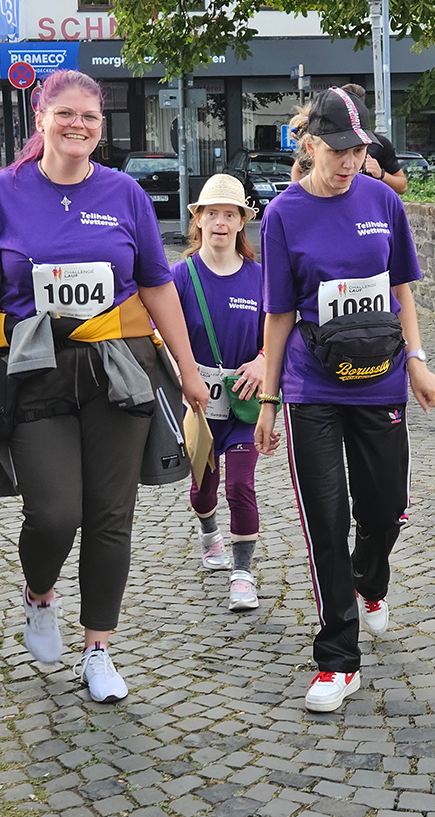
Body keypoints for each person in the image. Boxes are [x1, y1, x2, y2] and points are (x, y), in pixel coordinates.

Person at [0, 68, 208, 704]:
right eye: (65, 114)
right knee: (55, 511)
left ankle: (98, 649)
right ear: (41, 119)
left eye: (89, 118)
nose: (78, 126)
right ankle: (39, 593)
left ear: (101, 127)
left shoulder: (125, 195)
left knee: (111, 514)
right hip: (32, 371)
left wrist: (189, 369)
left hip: (118, 368)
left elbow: (156, 285)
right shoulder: (0, 194)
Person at [254, 86, 435, 714]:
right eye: (337, 150)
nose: (348, 161)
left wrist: (417, 361)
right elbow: (279, 314)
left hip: (381, 379)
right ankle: (337, 660)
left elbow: (402, 289)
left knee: (386, 508)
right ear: (309, 146)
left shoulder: (383, 201)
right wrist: (270, 401)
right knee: (327, 519)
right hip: (314, 386)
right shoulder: (282, 214)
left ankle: (371, 578)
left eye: (357, 150)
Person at [171, 175, 264, 611]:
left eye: (230, 214)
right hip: (199, 406)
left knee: (240, 487)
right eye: (213, 214)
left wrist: (264, 361)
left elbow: (280, 334)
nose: (221, 222)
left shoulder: (259, 278)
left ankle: (243, 574)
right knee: (205, 489)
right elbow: (159, 332)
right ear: (199, 221)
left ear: (242, 223)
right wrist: (182, 372)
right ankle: (210, 534)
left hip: (244, 405)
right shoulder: (180, 276)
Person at [341, 84, 407, 195]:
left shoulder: (378, 144)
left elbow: (402, 186)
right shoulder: (326, 142)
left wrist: (381, 174)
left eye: (359, 150)